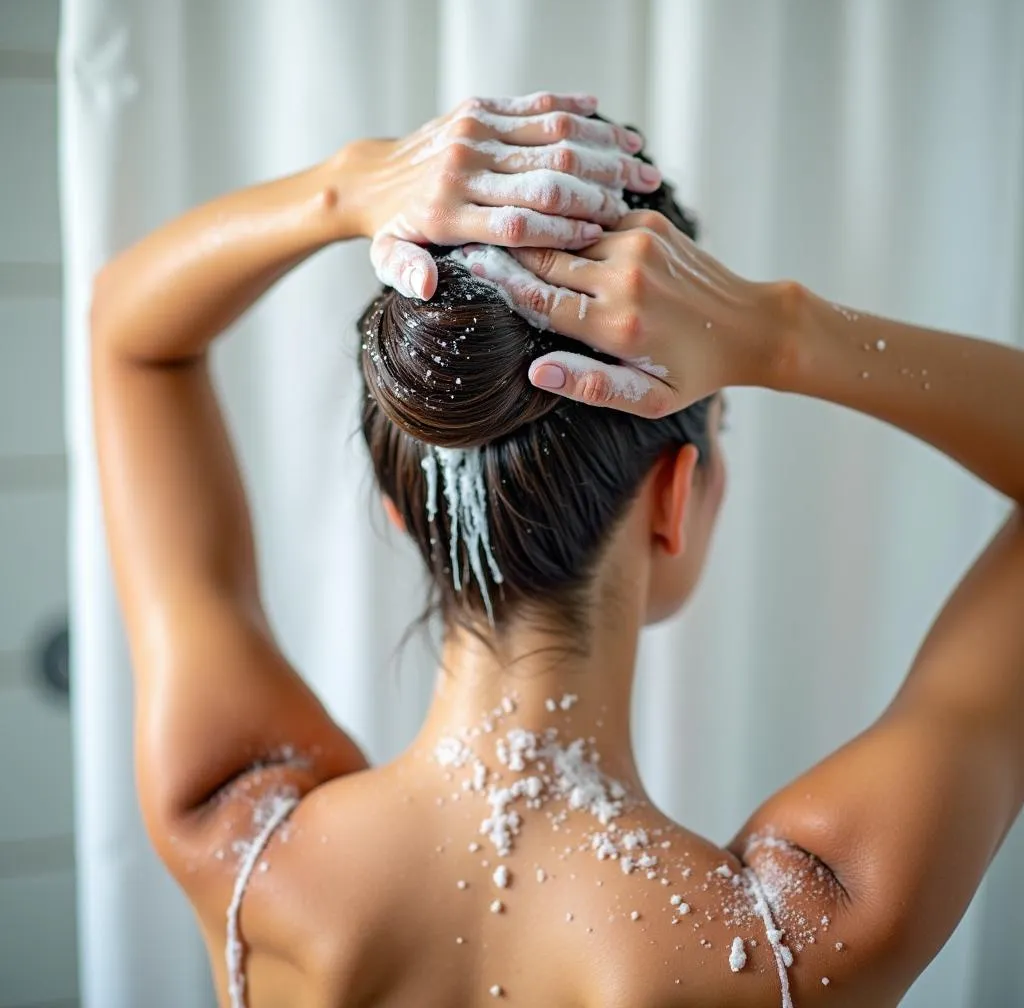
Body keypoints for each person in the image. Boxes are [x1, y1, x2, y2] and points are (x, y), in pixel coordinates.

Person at [90, 92, 1024, 1007]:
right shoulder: (808, 934)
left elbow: (129, 334)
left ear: (402, 508)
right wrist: (778, 333)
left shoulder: (236, 831)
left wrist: (352, 185)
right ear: (675, 498)